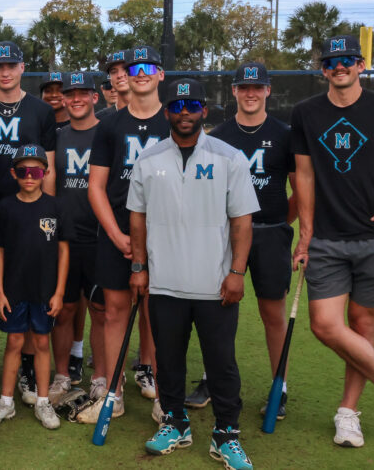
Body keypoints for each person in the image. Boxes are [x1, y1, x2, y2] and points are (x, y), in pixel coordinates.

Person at [128, 78, 258, 470]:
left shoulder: (229, 156)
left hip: (215, 283)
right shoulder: (148, 160)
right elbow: (137, 219)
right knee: (168, 360)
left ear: (205, 110)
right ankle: (175, 422)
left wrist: (237, 272)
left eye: (192, 106)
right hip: (164, 281)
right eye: (177, 106)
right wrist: (138, 267)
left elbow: (242, 222)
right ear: (166, 111)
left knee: (222, 362)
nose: (185, 113)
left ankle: (227, 434)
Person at [290, 34, 374, 447]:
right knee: (325, 326)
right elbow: (303, 175)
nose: (339, 66)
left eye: (347, 60)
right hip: (326, 238)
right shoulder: (305, 113)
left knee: (362, 326)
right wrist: (305, 234)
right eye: (331, 61)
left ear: (361, 65)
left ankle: (348, 413)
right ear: (322, 69)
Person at [0, 41, 56, 402]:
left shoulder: (40, 110)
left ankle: (30, 366)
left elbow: (47, 163)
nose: (4, 72)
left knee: (30, 286)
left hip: (27, 210)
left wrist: (44, 211)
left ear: (22, 68)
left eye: (11, 65)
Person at [82, 45, 168, 424]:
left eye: (149, 66)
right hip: (117, 231)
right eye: (134, 68)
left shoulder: (176, 119)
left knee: (163, 315)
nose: (140, 72)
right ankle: (114, 391)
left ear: (161, 74)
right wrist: (118, 237)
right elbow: (96, 187)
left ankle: (167, 397)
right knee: (115, 311)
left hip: (168, 234)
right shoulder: (111, 126)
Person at [204, 62, 295, 415]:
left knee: (273, 312)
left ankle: (279, 386)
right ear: (234, 92)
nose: (251, 93)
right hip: (227, 235)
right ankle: (215, 379)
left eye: (257, 87)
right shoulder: (219, 136)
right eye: (244, 87)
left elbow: (299, 188)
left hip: (271, 234)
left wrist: (277, 224)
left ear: (268, 90)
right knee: (220, 311)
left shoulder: (285, 134)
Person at [0, 145, 69, 431]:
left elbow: (63, 251)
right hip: (14, 290)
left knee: (42, 343)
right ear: (13, 173)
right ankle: (6, 402)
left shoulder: (56, 207)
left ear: (45, 173)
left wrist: (58, 292)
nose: (29, 177)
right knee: (14, 343)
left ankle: (43, 401)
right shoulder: (6, 207)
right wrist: (0, 291)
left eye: (36, 171)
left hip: (45, 291)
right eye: (23, 171)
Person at [50, 72, 105, 402]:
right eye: (70, 94)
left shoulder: (107, 133)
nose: (76, 99)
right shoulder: (58, 136)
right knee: (65, 309)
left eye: (84, 93)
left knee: (100, 310)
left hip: (100, 237)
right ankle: (61, 374)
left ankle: (100, 376)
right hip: (65, 239)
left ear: (95, 97)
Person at [96, 49, 130, 120]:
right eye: (113, 71)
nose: (120, 75)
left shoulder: (154, 112)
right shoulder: (99, 119)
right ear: (110, 79)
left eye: (126, 69)